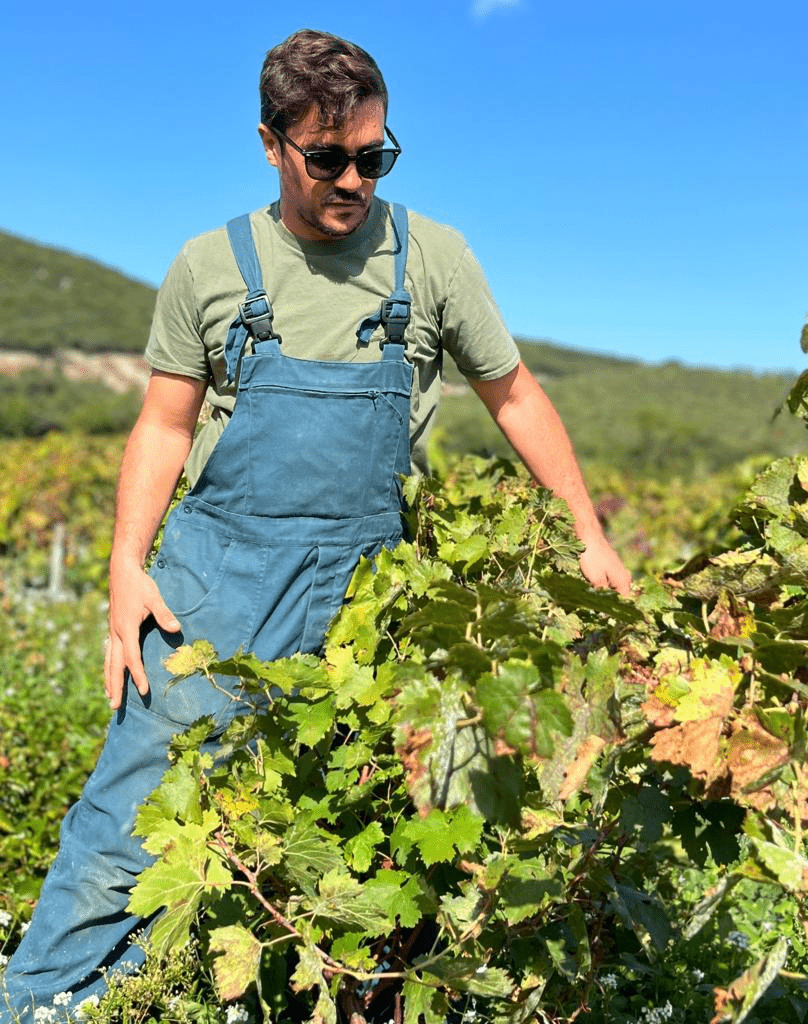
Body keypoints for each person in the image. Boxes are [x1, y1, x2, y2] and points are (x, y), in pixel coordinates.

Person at [0, 28, 630, 1022]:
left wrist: (588, 534)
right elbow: (163, 424)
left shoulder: (433, 258)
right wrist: (126, 565)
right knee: (134, 803)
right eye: (327, 158)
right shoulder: (210, 267)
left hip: (374, 587)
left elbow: (513, 396)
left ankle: (331, 997)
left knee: (376, 815)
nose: (352, 180)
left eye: (372, 157)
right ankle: (44, 999)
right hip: (219, 574)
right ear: (270, 143)